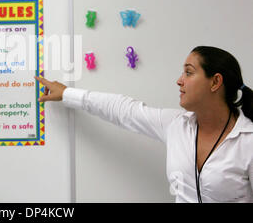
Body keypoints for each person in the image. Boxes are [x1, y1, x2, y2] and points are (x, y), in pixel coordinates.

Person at [34, 46, 253, 203]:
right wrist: (67, 93)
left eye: (189, 72)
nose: (179, 80)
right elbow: (122, 110)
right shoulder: (177, 125)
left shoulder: (248, 140)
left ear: (215, 82)